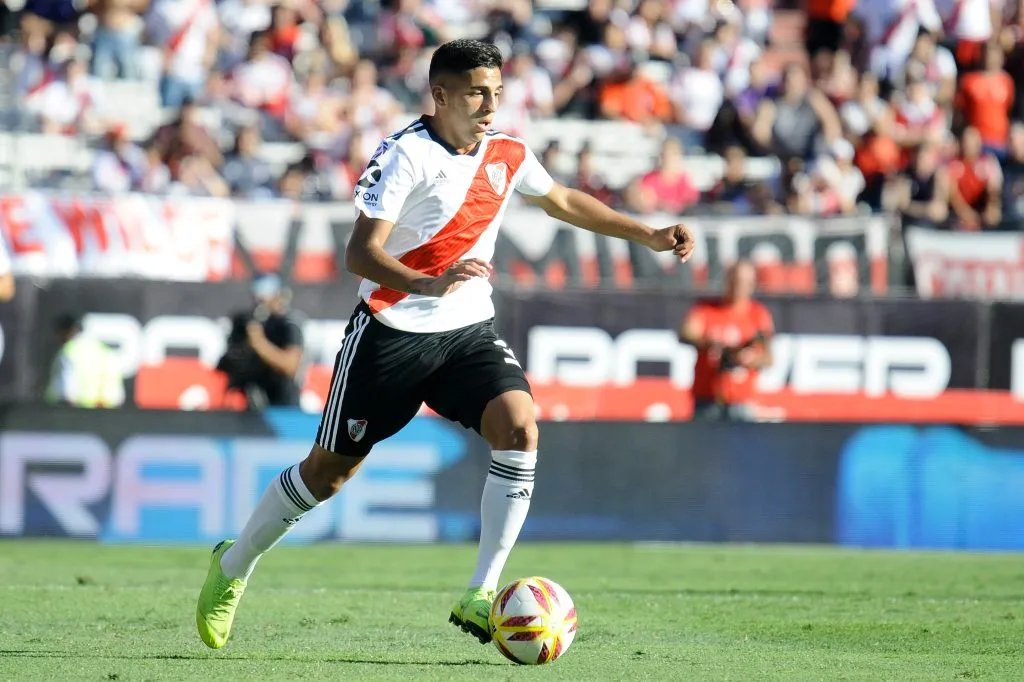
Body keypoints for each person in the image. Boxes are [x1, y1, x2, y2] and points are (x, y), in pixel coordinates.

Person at [195, 38, 694, 650]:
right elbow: (360, 252)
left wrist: (647, 235)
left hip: (465, 334)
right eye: (477, 93)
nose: (490, 105)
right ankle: (234, 564)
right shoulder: (405, 155)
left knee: (520, 427)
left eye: (498, 93)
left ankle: (482, 592)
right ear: (441, 95)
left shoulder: (508, 153)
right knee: (326, 478)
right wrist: (424, 281)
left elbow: (561, 200)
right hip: (389, 337)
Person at [679, 261, 773, 422]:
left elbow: (768, 358)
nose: (739, 286)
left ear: (752, 285)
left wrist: (749, 358)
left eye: (744, 282)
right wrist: (708, 343)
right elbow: (686, 334)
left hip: (742, 401)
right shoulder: (706, 309)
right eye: (735, 280)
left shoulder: (758, 314)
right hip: (707, 398)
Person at [215, 273, 304, 409]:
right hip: (253, 407)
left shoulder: (288, 325)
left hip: (283, 408)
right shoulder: (252, 322)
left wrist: (259, 343)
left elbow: (290, 366)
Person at [44, 313, 125, 408]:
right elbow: (118, 396)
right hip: (108, 417)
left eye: (59, 332)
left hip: (77, 416)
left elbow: (66, 393)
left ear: (67, 331)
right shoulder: (105, 351)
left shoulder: (69, 352)